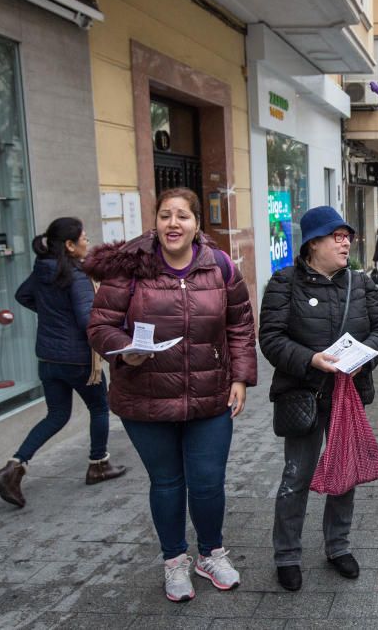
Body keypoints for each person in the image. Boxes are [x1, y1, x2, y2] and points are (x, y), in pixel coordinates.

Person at [86, 187, 257, 602]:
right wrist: (125, 352)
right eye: (165, 215)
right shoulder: (130, 268)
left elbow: (239, 325)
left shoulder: (219, 267)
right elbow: (99, 326)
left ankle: (211, 553)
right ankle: (174, 561)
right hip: (145, 397)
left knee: (207, 483)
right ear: (156, 221)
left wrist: (240, 377)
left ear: (198, 223)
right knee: (166, 483)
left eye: (183, 216)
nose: (173, 224)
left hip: (209, 394)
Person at [260, 206, 378, 592]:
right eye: (336, 235)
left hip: (347, 394)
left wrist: (364, 355)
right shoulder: (285, 282)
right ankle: (287, 555)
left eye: (347, 235)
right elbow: (270, 338)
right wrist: (310, 360)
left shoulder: (360, 282)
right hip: (303, 393)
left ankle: (338, 547)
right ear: (312, 242)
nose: (345, 241)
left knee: (344, 472)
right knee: (296, 477)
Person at [0, 218, 125, 509]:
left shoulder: (43, 269)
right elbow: (87, 320)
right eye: (84, 238)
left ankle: (14, 467)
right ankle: (98, 464)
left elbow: (22, 295)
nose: (88, 243)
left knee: (57, 414)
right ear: (70, 245)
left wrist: (52, 314)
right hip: (78, 360)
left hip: (48, 358)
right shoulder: (76, 276)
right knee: (100, 407)